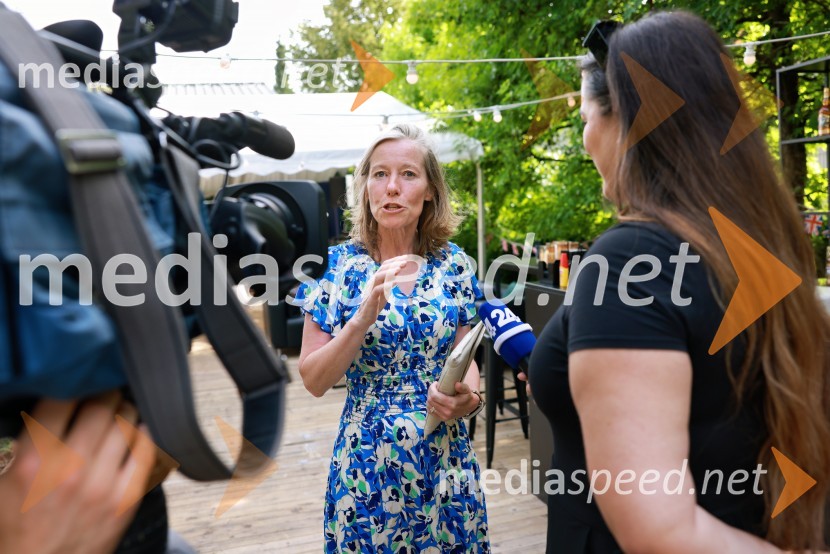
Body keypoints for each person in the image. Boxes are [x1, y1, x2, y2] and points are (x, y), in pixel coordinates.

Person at [528, 10, 830, 553]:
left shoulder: (628, 262)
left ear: (625, 124)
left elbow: (658, 530)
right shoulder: (762, 248)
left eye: (585, 121)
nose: (585, 141)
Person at [295, 123, 490, 552]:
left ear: (430, 191)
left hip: (445, 459)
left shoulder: (453, 264)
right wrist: (363, 316)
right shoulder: (333, 267)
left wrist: (469, 398)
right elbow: (313, 380)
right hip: (367, 468)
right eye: (379, 174)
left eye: (408, 174)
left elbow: (466, 356)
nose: (392, 187)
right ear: (365, 187)